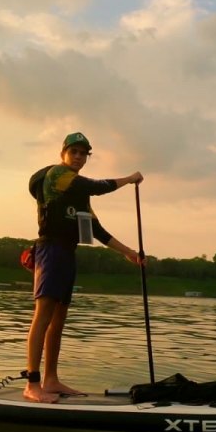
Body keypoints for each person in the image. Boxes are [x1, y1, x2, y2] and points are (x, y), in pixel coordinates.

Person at [23, 132, 143, 403]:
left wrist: (130, 253)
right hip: (50, 249)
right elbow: (98, 185)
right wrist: (129, 179)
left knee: (60, 319)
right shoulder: (57, 175)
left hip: (67, 252)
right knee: (43, 315)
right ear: (63, 153)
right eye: (74, 151)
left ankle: (50, 379)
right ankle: (32, 383)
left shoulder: (79, 196)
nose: (78, 157)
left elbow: (96, 230)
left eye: (83, 153)